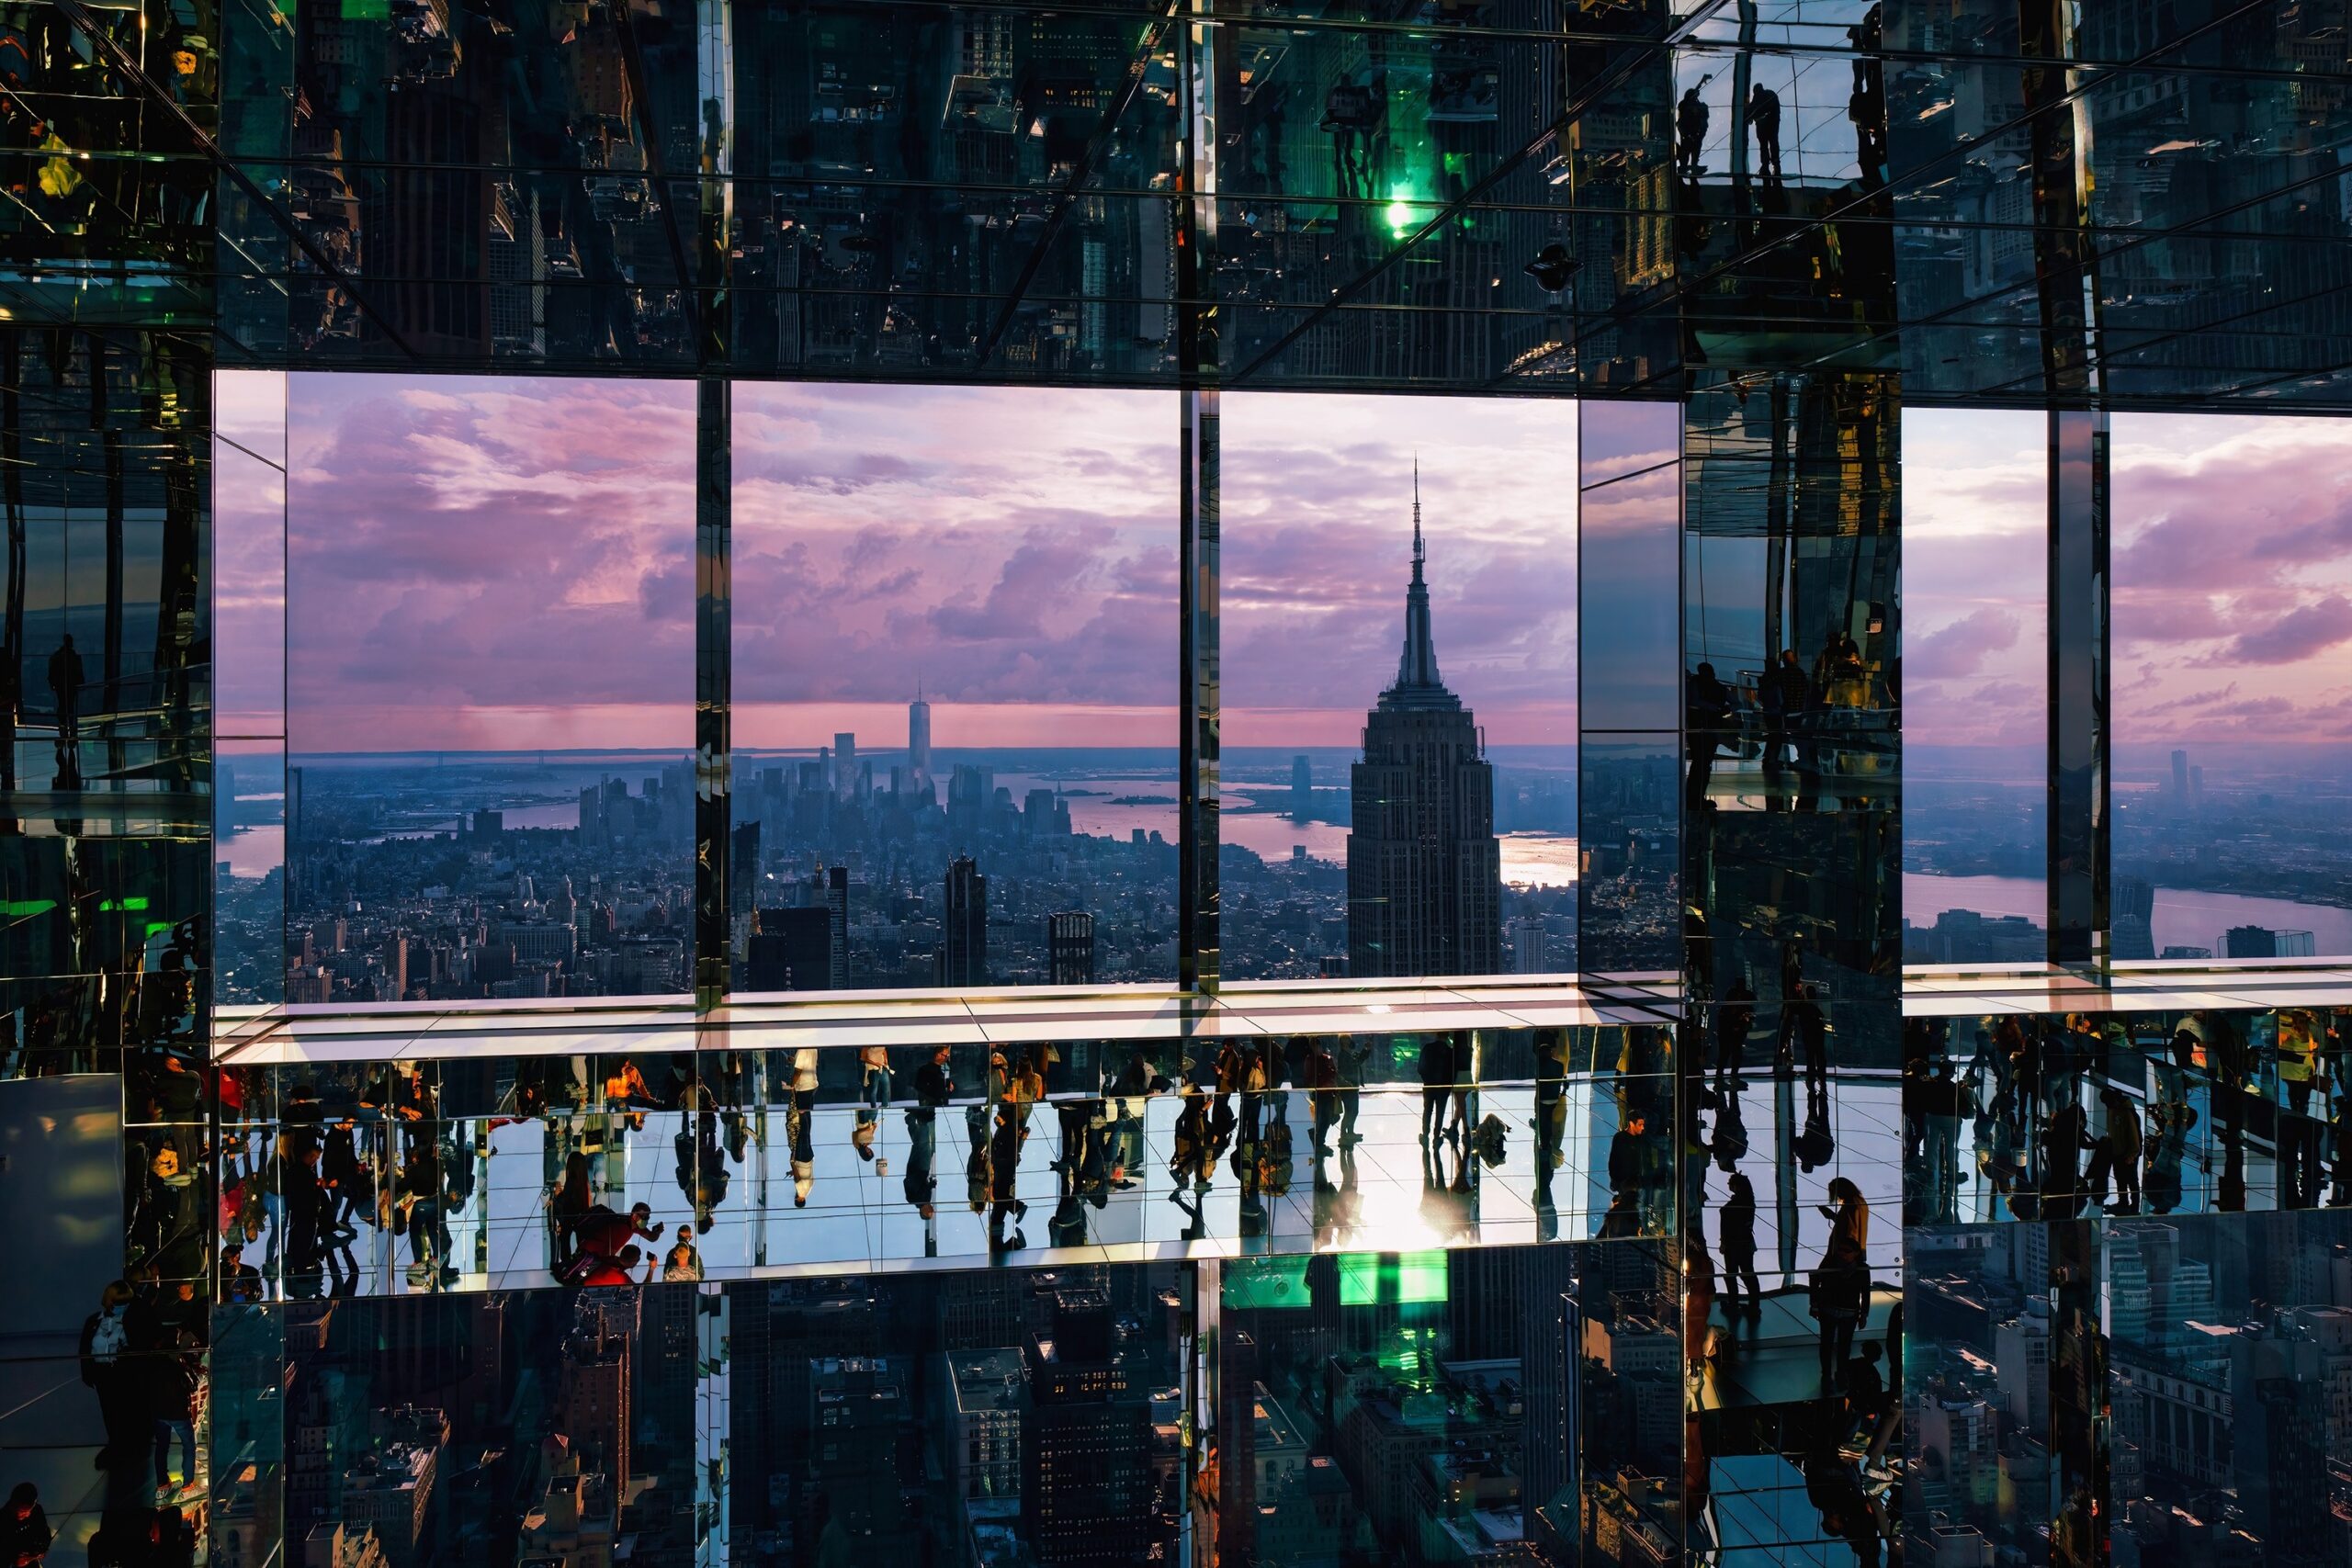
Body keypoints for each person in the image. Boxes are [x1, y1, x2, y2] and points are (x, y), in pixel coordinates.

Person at [78, 1282, 150, 1472]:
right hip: (103, 1374)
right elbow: (85, 1348)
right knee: (110, 1412)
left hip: (124, 1374)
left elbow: (139, 1346)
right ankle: (117, 1447)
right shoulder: (94, 1320)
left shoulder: (132, 1320)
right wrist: (88, 1372)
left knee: (127, 1411)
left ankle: (128, 1449)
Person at [1812, 1177, 1869, 1390]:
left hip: (1841, 1262)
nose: (1835, 1196)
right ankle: (1839, 1373)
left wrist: (1841, 1254)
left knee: (1827, 1341)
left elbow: (1849, 1232)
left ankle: (1829, 1374)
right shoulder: (1860, 1203)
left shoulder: (1851, 1205)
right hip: (1852, 1263)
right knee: (1843, 1343)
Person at [1685, 662, 1735, 810]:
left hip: (1700, 728)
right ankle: (1696, 797)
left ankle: (1695, 797)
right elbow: (1736, 703)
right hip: (1708, 729)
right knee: (1703, 764)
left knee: (1700, 764)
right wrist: (1721, 708)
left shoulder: (1695, 685)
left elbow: (1692, 701)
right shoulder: (1719, 688)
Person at [1719, 1171, 1761, 1308]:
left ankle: (1733, 1303)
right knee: (1747, 1273)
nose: (1729, 1186)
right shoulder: (1748, 1201)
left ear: (1737, 1186)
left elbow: (1727, 1219)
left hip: (1734, 1244)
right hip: (1745, 1243)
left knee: (1732, 1274)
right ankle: (1754, 1304)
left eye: (1731, 1184)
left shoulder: (1737, 1203)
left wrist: (1724, 1243)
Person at [1418, 1033, 1456, 1146]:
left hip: (1429, 1085)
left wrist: (1427, 1079)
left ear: (1436, 1035)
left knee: (1427, 1110)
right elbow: (1453, 1072)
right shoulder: (1450, 1052)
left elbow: (1420, 1068)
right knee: (1440, 1112)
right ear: (1447, 1036)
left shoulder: (1427, 1048)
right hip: (1443, 1088)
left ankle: (1425, 1135)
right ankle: (1436, 1137)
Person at [0, 1483, 50, 1566]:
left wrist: (39, 1551)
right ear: (13, 1505)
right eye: (23, 1512)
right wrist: (19, 1559)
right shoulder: (3, 1520)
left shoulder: (37, 1511)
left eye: (30, 1510)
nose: (28, 1514)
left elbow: (45, 1534)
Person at [1748, 83, 1782, 184]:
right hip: (1767, 126)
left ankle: (1772, 165)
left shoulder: (1769, 95)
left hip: (1770, 125)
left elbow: (1771, 109)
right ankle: (1769, 166)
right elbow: (1751, 111)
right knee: (1768, 144)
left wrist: (1757, 116)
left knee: (1769, 144)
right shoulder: (1765, 96)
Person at [1676, 79, 1711, 177]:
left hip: (1696, 134)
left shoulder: (1696, 106)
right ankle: (1684, 168)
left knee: (1695, 151)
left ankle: (1693, 166)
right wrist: (1700, 83)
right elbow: (1690, 97)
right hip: (1687, 134)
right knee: (1686, 153)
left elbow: (1703, 117)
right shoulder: (1684, 105)